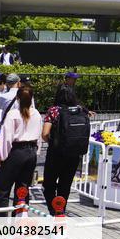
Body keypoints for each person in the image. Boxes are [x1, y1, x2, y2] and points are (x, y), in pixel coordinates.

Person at [41, 85, 89, 215]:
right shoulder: (80, 110)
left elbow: (45, 133)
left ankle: (53, 209)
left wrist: (54, 143)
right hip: (74, 153)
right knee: (65, 184)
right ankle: (60, 210)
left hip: (56, 153)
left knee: (49, 184)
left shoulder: (54, 111)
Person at [0, 84, 41, 216]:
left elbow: (6, 138)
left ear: (18, 99)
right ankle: (20, 222)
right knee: (23, 189)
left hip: (15, 152)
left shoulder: (13, 114)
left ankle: (1, 224)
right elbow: (38, 137)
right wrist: (35, 153)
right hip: (30, 152)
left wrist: (1, 156)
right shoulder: (36, 114)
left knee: (3, 190)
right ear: (31, 98)